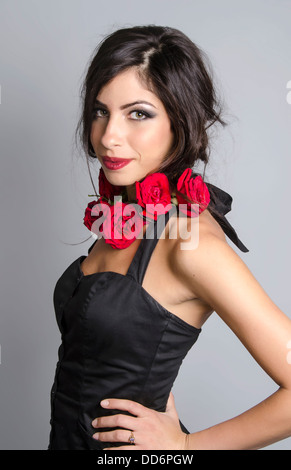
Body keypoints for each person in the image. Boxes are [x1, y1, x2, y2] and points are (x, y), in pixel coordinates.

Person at [49, 25, 291, 450]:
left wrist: (183, 448)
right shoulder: (131, 215)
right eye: (101, 111)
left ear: (180, 121)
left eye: (138, 113)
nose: (108, 137)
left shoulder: (190, 242)